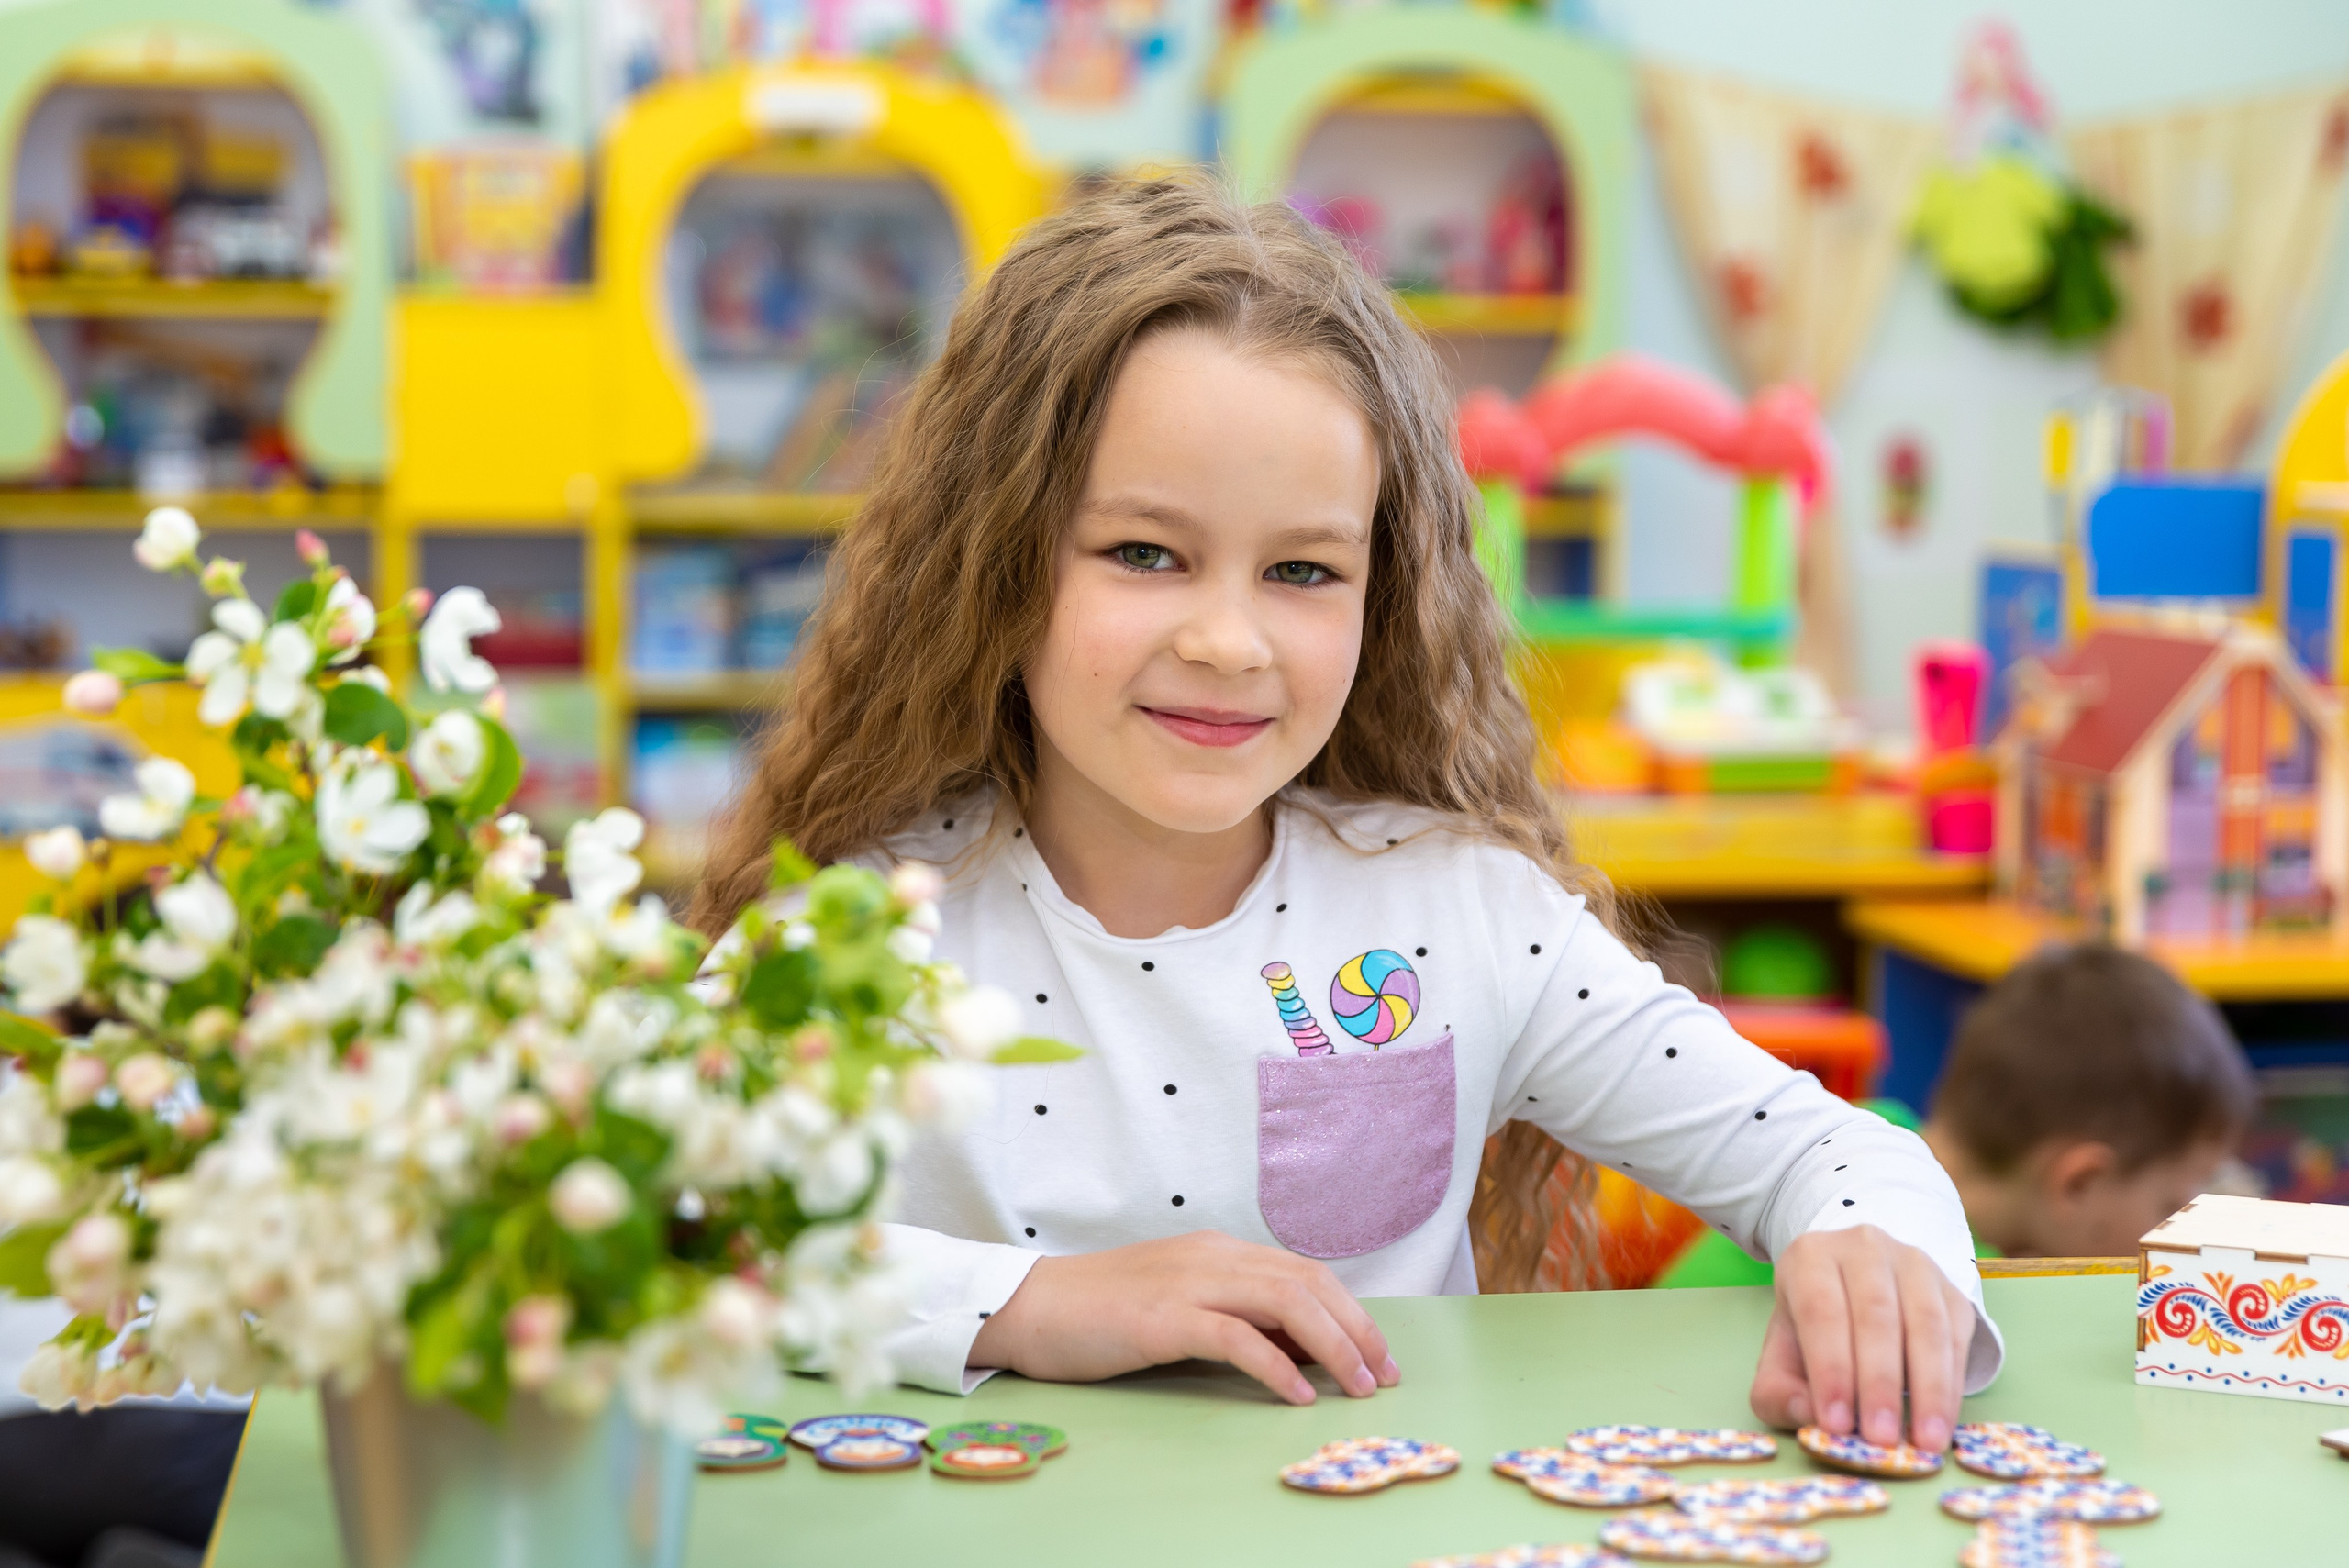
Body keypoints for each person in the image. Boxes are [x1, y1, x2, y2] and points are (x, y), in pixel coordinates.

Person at [693, 176, 1998, 1453]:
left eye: (1304, 570)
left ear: (1382, 599)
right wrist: (1028, 1305)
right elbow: (649, 1234)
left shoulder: (1461, 915)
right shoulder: (856, 934)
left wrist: (1870, 1246)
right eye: (1144, 553)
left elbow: (1830, 1151)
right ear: (998, 564)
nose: (1227, 639)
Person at [1656, 944, 2256, 1287]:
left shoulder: (1862, 1124)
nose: (2180, 1229)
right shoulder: (1962, 1283)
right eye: (2172, 1204)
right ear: (2079, 1181)